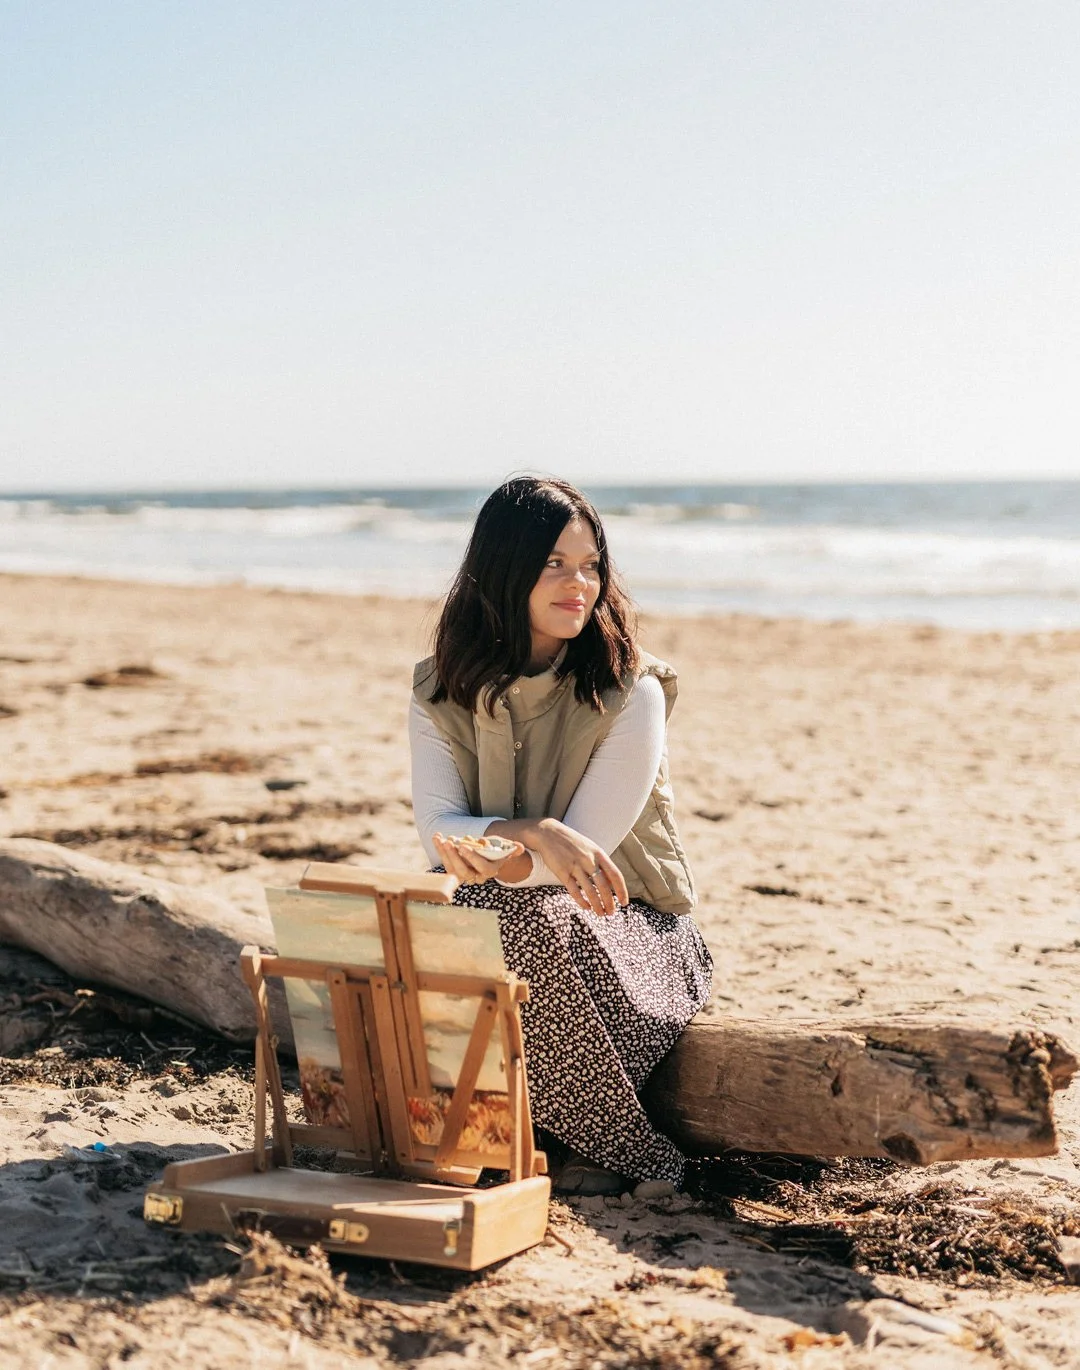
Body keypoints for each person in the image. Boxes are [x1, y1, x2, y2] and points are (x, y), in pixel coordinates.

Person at [409, 476, 712, 1194]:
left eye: (590, 565)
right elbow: (436, 835)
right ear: (504, 568)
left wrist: (510, 850)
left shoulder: (629, 690)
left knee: (489, 912)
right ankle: (497, 1129)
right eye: (553, 564)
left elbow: (582, 864)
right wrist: (533, 831)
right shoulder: (439, 688)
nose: (579, 584)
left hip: (637, 936)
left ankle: (622, 1150)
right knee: (424, 916)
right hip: (512, 922)